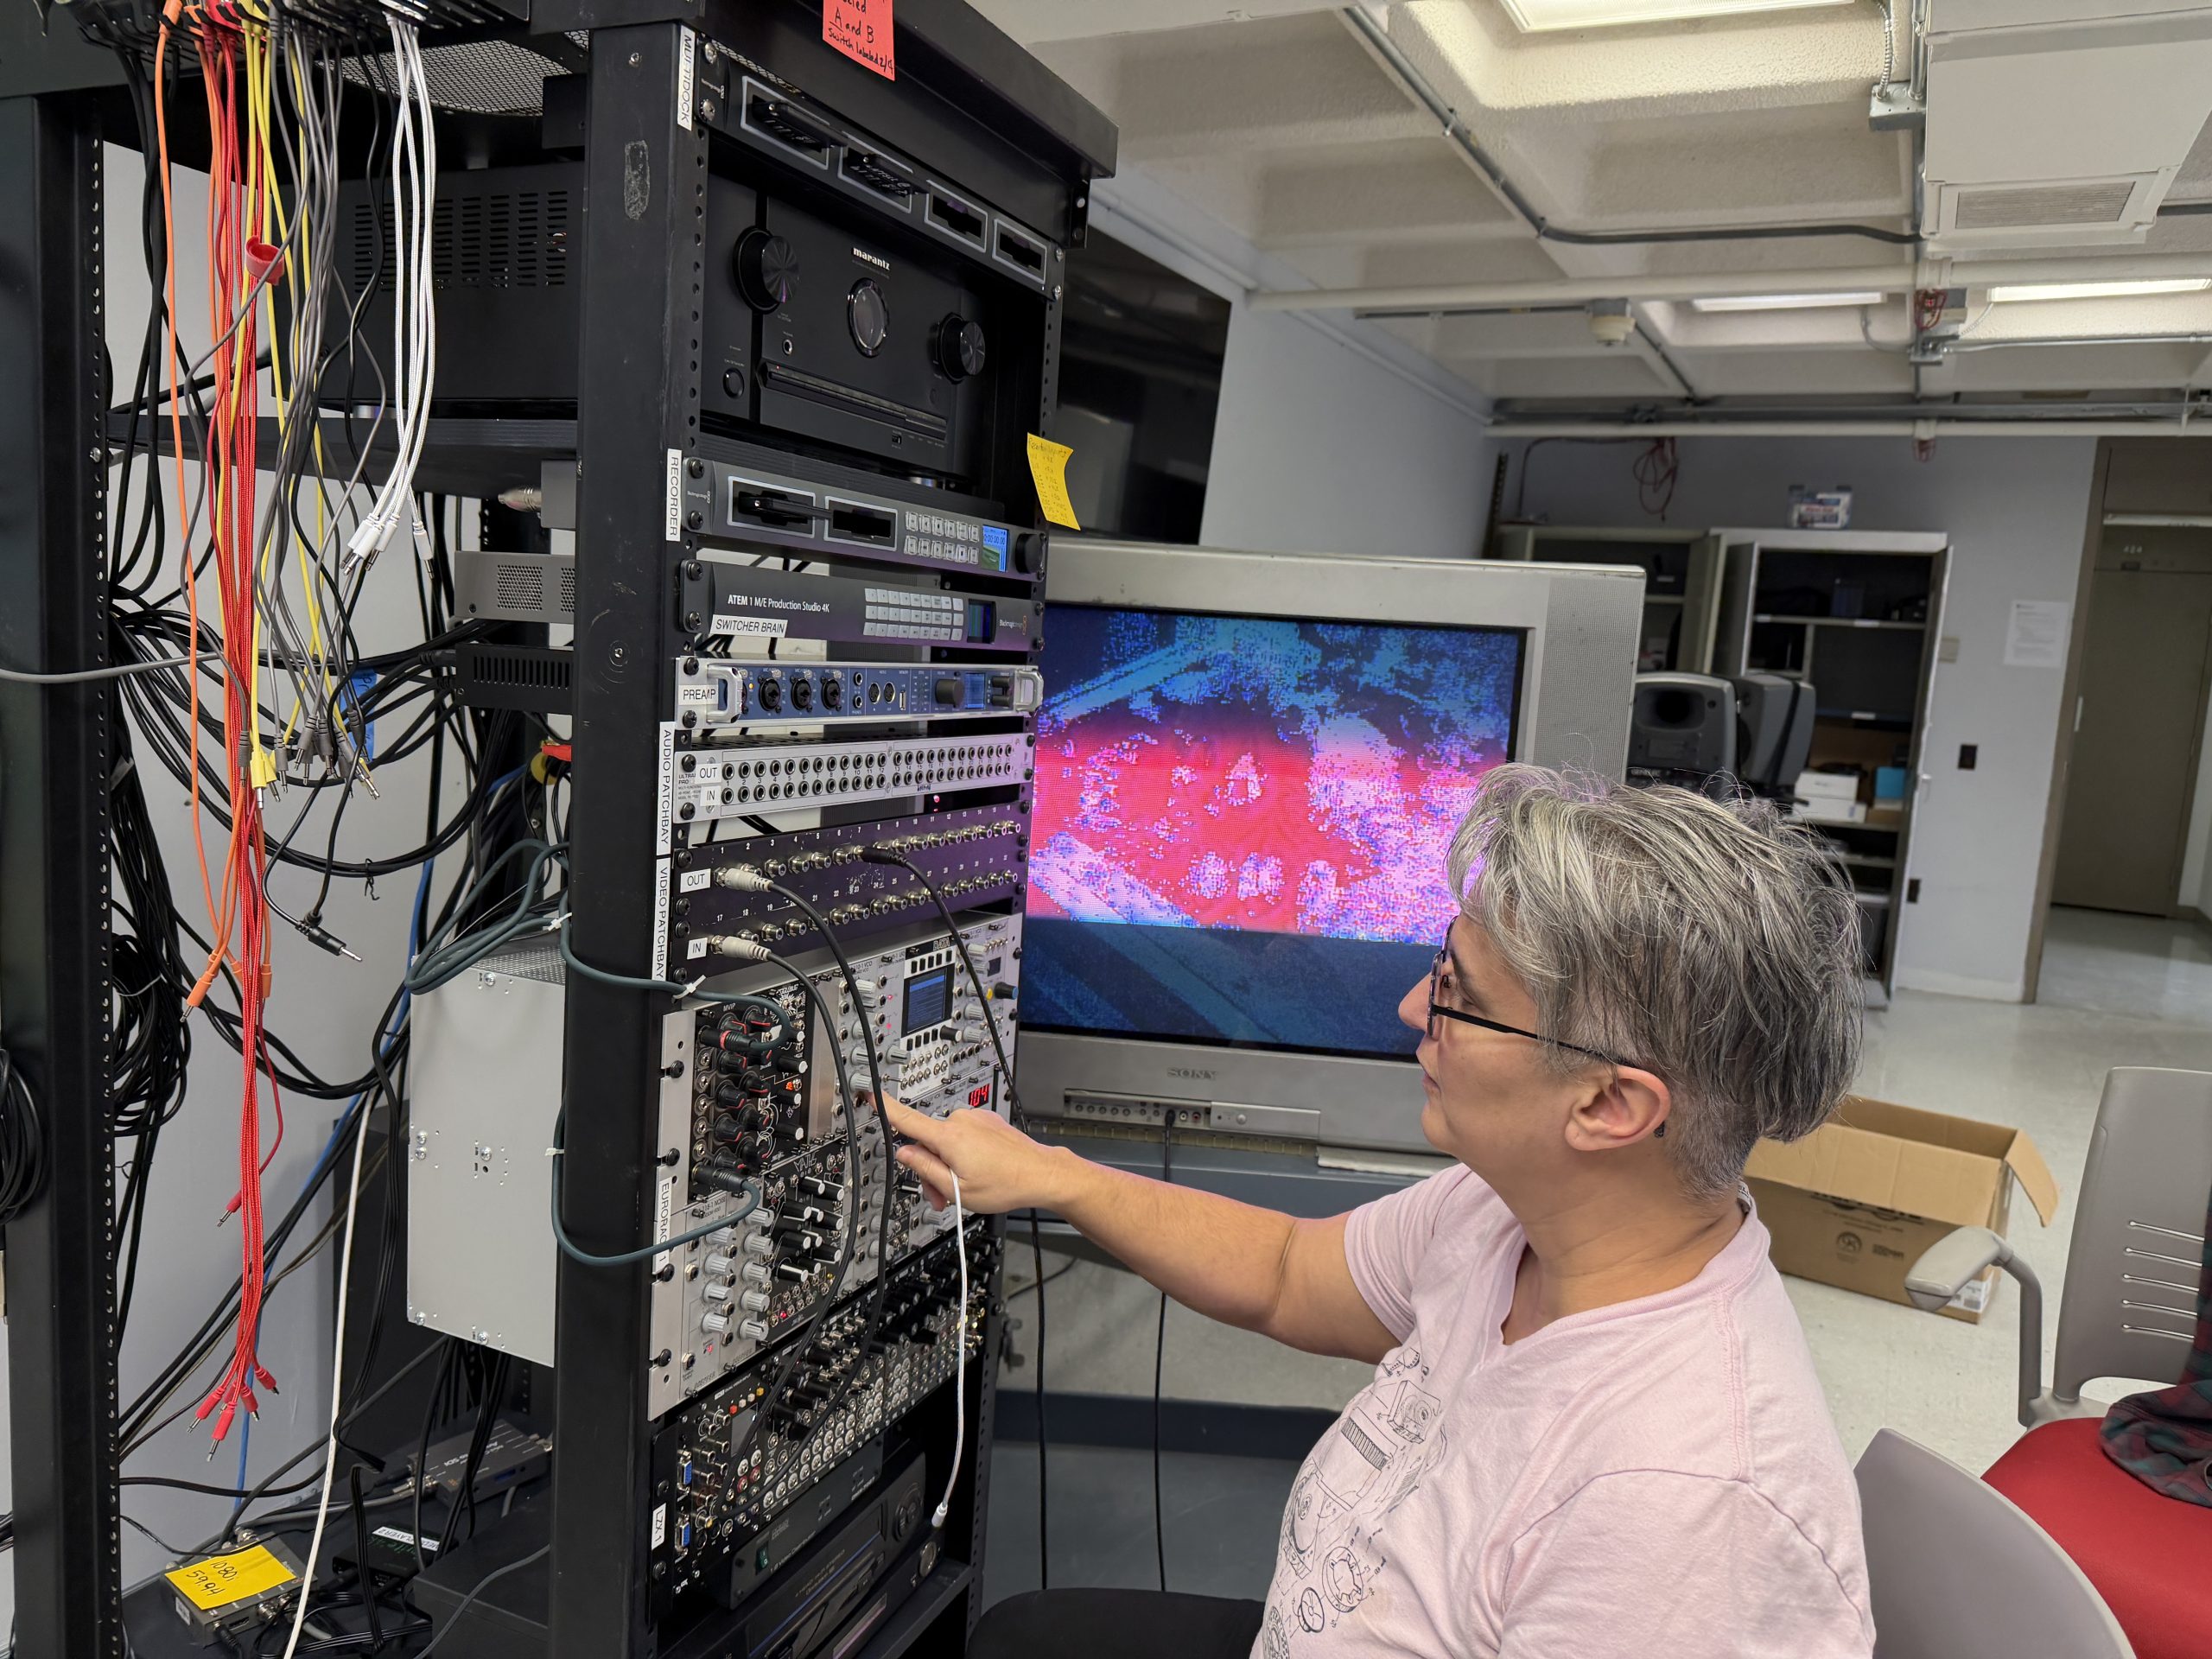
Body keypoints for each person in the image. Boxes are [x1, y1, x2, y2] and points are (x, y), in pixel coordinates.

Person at [887, 764, 1877, 1659]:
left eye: (1458, 994)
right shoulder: (1511, 1217)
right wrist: (1055, 1176)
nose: (1411, 1010)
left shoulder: (1681, 1507)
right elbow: (1285, 1271)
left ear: (1609, 1106)